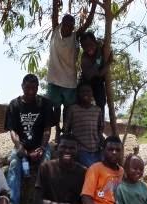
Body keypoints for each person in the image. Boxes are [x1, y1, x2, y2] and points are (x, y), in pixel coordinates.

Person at [5, 73, 56, 204]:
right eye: (27, 88)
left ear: (38, 88)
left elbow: (47, 129)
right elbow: (12, 131)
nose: (31, 91)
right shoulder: (14, 105)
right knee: (14, 164)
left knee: (46, 165)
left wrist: (42, 147)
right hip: (22, 146)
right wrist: (20, 147)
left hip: (41, 146)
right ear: (22, 86)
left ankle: (44, 203)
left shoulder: (45, 104)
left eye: (34, 88)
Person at [47, 9, 96, 141]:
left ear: (73, 26)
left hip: (69, 81)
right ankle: (57, 130)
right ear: (62, 24)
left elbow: (87, 23)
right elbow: (54, 13)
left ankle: (66, 131)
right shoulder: (55, 31)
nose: (68, 27)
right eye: (66, 24)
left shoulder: (75, 36)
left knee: (68, 109)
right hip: (54, 78)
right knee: (55, 108)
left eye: (71, 25)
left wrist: (94, 6)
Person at [64, 83, 104, 167]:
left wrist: (102, 144)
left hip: (96, 150)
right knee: (93, 168)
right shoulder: (73, 109)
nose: (85, 93)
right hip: (81, 150)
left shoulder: (97, 110)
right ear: (78, 94)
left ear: (92, 93)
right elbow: (66, 130)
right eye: (82, 91)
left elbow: (100, 129)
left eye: (88, 91)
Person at [80, 31, 113, 122]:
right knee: (82, 102)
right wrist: (108, 64)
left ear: (94, 42)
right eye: (84, 46)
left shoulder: (100, 47)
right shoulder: (84, 59)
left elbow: (107, 48)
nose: (88, 48)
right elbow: (98, 74)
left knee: (101, 102)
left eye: (90, 44)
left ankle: (100, 127)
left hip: (99, 81)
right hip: (88, 81)